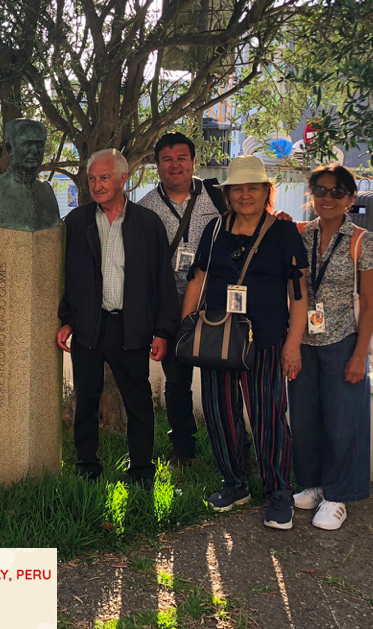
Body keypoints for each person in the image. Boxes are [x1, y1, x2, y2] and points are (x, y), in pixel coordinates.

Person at [181, 155, 308, 530]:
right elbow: (197, 280)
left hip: (266, 339)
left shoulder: (283, 232)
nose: (245, 195)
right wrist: (186, 330)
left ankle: (279, 491)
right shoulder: (214, 230)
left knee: (269, 417)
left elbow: (299, 294)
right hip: (218, 339)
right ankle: (235, 483)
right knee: (220, 414)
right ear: (228, 194)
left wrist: (292, 345)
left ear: (266, 191)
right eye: (238, 189)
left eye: (253, 187)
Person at [56, 149, 179, 486]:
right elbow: (66, 277)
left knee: (138, 402)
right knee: (86, 399)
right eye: (92, 179)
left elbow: (162, 281)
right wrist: (67, 319)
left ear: (123, 179)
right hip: (89, 325)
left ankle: (141, 472)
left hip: (131, 326)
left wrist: (162, 330)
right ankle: (87, 468)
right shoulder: (76, 222)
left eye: (104, 178)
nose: (97, 185)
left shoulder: (147, 223)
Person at [289, 164, 373, 530]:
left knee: (344, 421)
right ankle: (313, 484)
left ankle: (339, 494)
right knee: (305, 417)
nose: (328, 198)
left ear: (350, 199)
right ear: (310, 193)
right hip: (304, 340)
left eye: (337, 192)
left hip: (343, 340)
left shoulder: (363, 241)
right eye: (321, 190)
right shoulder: (300, 234)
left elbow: (370, 304)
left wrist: (360, 354)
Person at [137, 132, 226, 468]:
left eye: (182, 158)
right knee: (177, 381)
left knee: (221, 378)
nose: (175, 165)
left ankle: (231, 446)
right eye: (167, 159)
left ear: (193, 161)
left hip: (215, 304)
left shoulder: (217, 197)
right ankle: (183, 449)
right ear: (157, 165)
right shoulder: (145, 208)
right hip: (170, 308)